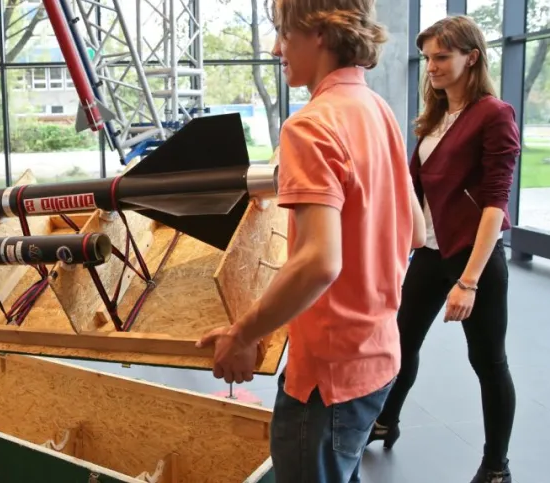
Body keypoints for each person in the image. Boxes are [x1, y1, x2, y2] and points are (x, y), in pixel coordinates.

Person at [196, 0, 425, 481]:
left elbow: (320, 262)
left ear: (320, 31)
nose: (278, 48)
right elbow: (417, 230)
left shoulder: (309, 126)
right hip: (378, 357)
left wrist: (243, 334)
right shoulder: (378, 109)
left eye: (283, 32)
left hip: (327, 379)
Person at [367, 15, 520, 483]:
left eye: (441, 57)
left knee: (488, 362)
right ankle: (385, 420)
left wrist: (468, 281)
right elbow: (413, 191)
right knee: (401, 343)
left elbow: (495, 203)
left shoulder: (493, 113)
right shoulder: (436, 115)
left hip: (474, 258)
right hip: (431, 254)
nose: (431, 66)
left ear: (471, 57)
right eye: (428, 57)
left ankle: (497, 466)